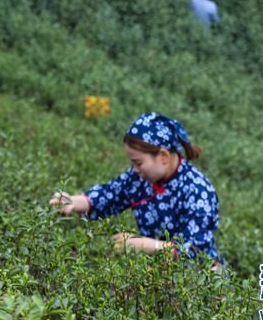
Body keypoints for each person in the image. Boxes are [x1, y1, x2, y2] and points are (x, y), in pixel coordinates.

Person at [49, 112, 224, 268]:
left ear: (163, 156)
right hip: (158, 270)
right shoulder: (139, 178)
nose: (135, 169)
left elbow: (193, 250)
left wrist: (142, 244)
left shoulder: (198, 191)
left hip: (200, 279)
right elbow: (110, 195)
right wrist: (74, 201)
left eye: (138, 162)